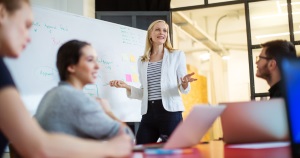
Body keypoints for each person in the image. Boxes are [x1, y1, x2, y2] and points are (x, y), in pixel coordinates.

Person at [0, 0, 132, 157]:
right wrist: (108, 112)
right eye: (26, 26)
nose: (28, 38)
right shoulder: (75, 98)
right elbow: (128, 139)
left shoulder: (51, 95)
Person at [110, 20, 197, 144]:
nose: (162, 33)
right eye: (157, 29)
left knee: (175, 151)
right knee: (140, 148)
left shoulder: (176, 55)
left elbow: (184, 89)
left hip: (170, 113)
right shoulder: (142, 60)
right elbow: (143, 93)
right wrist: (127, 86)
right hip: (149, 112)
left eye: (165, 30)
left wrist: (184, 82)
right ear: (150, 34)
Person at [35, 40, 134, 141]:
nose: (98, 66)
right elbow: (127, 137)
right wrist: (108, 111)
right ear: (71, 67)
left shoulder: (50, 95)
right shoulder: (78, 99)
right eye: (90, 60)